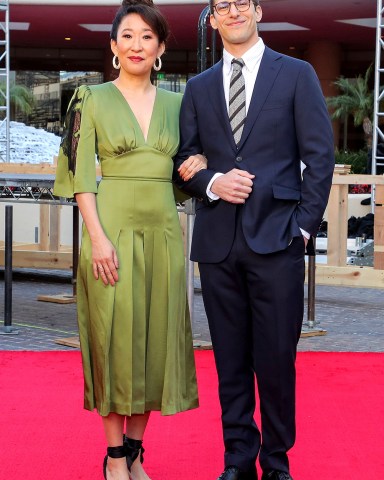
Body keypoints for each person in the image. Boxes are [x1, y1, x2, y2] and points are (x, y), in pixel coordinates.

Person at [174, 1, 335, 479]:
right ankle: (238, 460)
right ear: (214, 18)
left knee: (276, 360)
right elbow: (183, 161)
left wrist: (303, 228)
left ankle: (277, 462)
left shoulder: (297, 74)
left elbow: (320, 157)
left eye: (241, 2)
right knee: (230, 361)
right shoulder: (199, 87)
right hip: (218, 245)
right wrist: (212, 182)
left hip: (278, 241)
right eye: (222, 5)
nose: (233, 11)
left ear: (258, 10)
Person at [54, 1, 205, 479]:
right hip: (109, 232)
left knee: (155, 342)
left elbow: (184, 178)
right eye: (128, 35)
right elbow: (78, 176)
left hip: (164, 232)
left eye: (147, 36)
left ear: (160, 48)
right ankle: (114, 457)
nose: (136, 44)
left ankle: (137, 452)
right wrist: (96, 238)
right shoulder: (89, 99)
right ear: (114, 45)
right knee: (112, 340)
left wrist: (197, 168)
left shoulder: (181, 105)